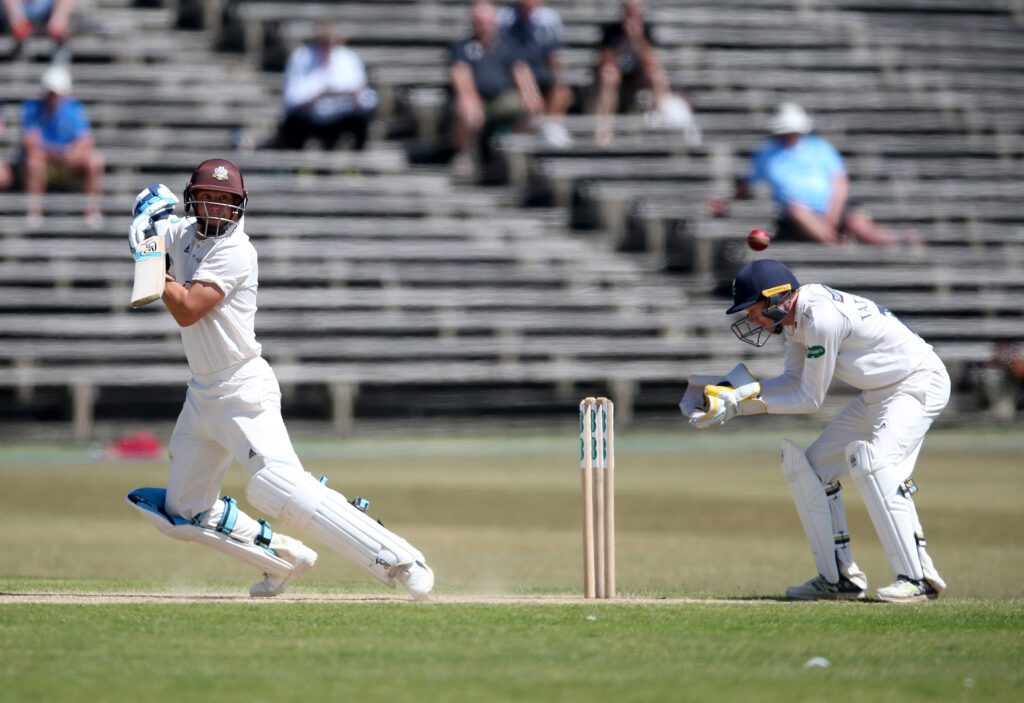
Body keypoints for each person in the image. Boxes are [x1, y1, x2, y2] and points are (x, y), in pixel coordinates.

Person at [124, 158, 434, 600]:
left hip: (243, 390)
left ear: (238, 207)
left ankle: (402, 560)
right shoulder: (186, 234)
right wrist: (143, 218)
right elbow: (153, 224)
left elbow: (187, 308)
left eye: (225, 201)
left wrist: (148, 256)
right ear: (194, 200)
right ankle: (284, 558)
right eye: (207, 198)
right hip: (201, 396)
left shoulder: (236, 251)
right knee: (183, 511)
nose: (215, 208)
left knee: (281, 487)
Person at [680, 259, 949, 602]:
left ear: (778, 297)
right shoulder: (795, 322)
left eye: (754, 309)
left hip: (916, 383)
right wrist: (727, 395)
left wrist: (740, 403)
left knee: (878, 466)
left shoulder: (821, 319)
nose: (751, 319)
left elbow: (809, 399)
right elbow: (792, 381)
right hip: (878, 394)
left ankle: (918, 579)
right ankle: (840, 579)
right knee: (815, 469)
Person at [709, 103, 899, 246]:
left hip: (833, 208)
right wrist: (725, 201)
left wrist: (831, 217)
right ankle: (836, 245)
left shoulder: (820, 147)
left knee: (858, 222)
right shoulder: (766, 154)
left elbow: (840, 183)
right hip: (797, 216)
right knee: (797, 209)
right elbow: (746, 184)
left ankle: (899, 242)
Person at [448, 1, 542, 176]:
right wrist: (469, 97)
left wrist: (531, 94)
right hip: (477, 100)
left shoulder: (508, 45)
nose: (484, 26)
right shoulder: (462, 47)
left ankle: (517, 155)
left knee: (527, 106)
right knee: (467, 111)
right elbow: (460, 74)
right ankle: (466, 154)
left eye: (487, 21)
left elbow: (521, 71)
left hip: (501, 99)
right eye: (479, 21)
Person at [20, 63, 104, 229]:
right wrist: (63, 152)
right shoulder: (32, 109)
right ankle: (34, 212)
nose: (52, 98)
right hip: (48, 165)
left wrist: (73, 152)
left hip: (67, 165)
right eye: (50, 93)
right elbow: (30, 143)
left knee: (95, 161)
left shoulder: (73, 109)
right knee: (34, 161)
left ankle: (92, 211)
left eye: (56, 94)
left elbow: (85, 140)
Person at [268, 24, 378, 151]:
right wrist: (314, 97)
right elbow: (291, 99)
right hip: (309, 117)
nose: (329, 46)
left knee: (362, 121)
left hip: (341, 117)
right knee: (292, 123)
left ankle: (358, 162)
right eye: (324, 42)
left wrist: (355, 96)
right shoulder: (301, 58)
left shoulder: (349, 59)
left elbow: (367, 99)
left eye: (332, 41)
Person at [592, 0, 672, 145]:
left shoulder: (646, 30)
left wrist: (638, 40)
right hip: (617, 75)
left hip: (638, 76)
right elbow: (605, 61)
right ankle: (604, 127)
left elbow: (653, 63)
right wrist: (623, 42)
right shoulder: (611, 30)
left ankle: (661, 122)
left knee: (657, 76)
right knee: (608, 76)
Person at [498, 0, 573, 148]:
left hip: (540, 71)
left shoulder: (548, 19)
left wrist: (559, 78)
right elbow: (511, 60)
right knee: (528, 96)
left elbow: (554, 55)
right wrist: (528, 87)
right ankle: (529, 134)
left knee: (562, 91)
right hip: (512, 74)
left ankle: (551, 127)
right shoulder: (505, 19)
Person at [1, 0, 75, 48]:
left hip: (47, 16)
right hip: (17, 15)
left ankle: (58, 25)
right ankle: (19, 24)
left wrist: (58, 21)